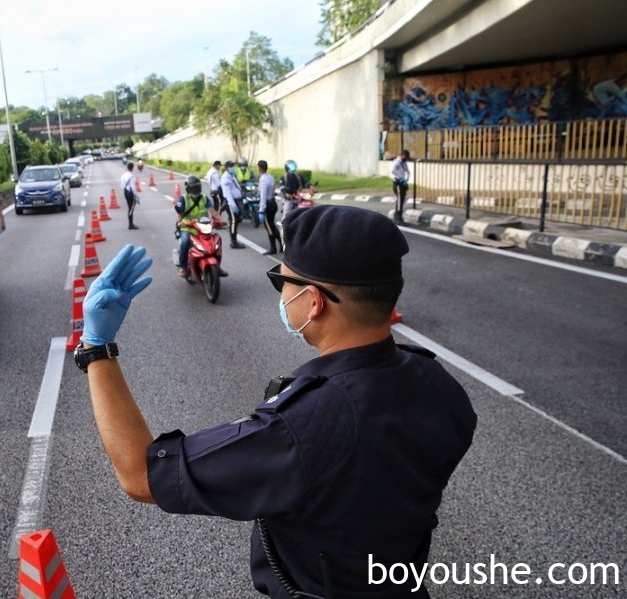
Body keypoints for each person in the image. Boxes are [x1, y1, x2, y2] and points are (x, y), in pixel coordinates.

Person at [75, 205, 477, 598]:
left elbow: (140, 477)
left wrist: (96, 348)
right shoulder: (439, 385)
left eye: (280, 282)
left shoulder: (301, 428)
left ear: (313, 301)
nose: (280, 294)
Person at [173, 175, 225, 278]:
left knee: (216, 241)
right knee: (185, 242)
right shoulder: (183, 199)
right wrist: (180, 222)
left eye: (197, 187)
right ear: (188, 188)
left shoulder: (204, 198)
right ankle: (183, 267)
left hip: (203, 227)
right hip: (188, 227)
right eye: (193, 188)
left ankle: (217, 266)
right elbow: (179, 213)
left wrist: (220, 219)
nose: (196, 189)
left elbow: (213, 211)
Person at [256, 160, 281, 255]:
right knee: (272, 224)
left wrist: (261, 210)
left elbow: (263, 196)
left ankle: (273, 247)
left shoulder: (263, 179)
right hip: (273, 203)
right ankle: (281, 244)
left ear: (259, 168)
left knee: (269, 227)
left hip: (267, 204)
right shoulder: (270, 177)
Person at [219, 160, 245, 249]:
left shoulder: (231, 175)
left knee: (236, 221)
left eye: (233, 166)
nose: (233, 168)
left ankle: (234, 240)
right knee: (234, 221)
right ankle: (233, 242)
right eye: (231, 166)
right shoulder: (225, 178)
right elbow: (228, 193)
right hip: (231, 202)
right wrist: (232, 205)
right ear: (227, 168)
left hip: (236, 200)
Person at [279, 159, 304, 224]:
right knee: (286, 214)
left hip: (299, 198)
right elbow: (282, 187)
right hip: (289, 199)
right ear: (287, 168)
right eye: (291, 166)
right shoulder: (283, 177)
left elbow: (305, 183)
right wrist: (286, 194)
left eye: (293, 166)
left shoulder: (298, 176)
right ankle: (283, 228)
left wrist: (311, 186)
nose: (293, 168)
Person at [391, 149, 411, 224]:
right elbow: (393, 171)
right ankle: (398, 218)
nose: (406, 159)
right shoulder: (396, 162)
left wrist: (406, 179)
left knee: (401, 200)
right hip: (397, 183)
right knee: (399, 201)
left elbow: (407, 171)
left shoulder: (403, 163)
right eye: (405, 157)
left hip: (403, 183)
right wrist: (400, 178)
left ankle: (398, 216)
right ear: (402, 155)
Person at [120, 161, 141, 230]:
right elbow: (133, 188)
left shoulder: (123, 175)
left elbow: (122, 186)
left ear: (127, 167)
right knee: (131, 209)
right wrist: (137, 197)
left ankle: (130, 224)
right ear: (132, 168)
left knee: (129, 208)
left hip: (125, 192)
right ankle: (130, 224)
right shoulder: (131, 177)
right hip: (130, 194)